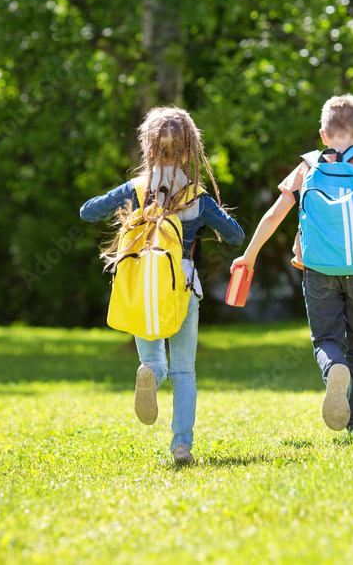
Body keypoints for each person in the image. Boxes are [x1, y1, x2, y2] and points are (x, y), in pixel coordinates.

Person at [232, 95, 353, 434]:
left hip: (316, 267)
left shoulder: (308, 166)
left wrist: (250, 254)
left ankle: (333, 370)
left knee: (326, 339)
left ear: (323, 134)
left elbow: (275, 215)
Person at [80, 106, 245, 465]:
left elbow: (87, 211)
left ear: (148, 149)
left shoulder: (136, 189)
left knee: (154, 358)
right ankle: (181, 445)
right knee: (185, 370)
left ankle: (150, 375)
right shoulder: (196, 196)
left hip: (144, 287)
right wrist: (213, 216)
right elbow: (235, 236)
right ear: (189, 152)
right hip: (182, 286)